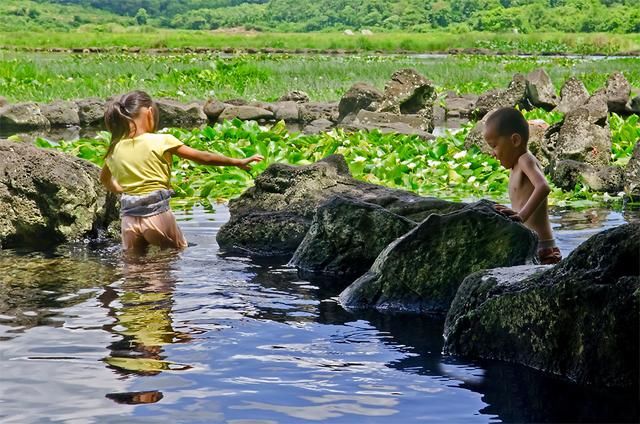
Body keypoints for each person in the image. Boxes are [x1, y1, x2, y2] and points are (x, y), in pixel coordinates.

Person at [100, 90, 263, 251]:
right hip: (157, 216)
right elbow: (203, 157)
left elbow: (105, 180)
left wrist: (122, 189)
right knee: (176, 255)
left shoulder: (114, 148)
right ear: (150, 112)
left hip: (129, 219)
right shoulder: (162, 140)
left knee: (133, 268)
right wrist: (237, 161)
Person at [483, 107, 562, 265]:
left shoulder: (525, 160)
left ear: (515, 141)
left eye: (494, 146)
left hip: (543, 247)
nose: (492, 153)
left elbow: (543, 187)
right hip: (530, 245)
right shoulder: (515, 167)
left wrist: (521, 215)